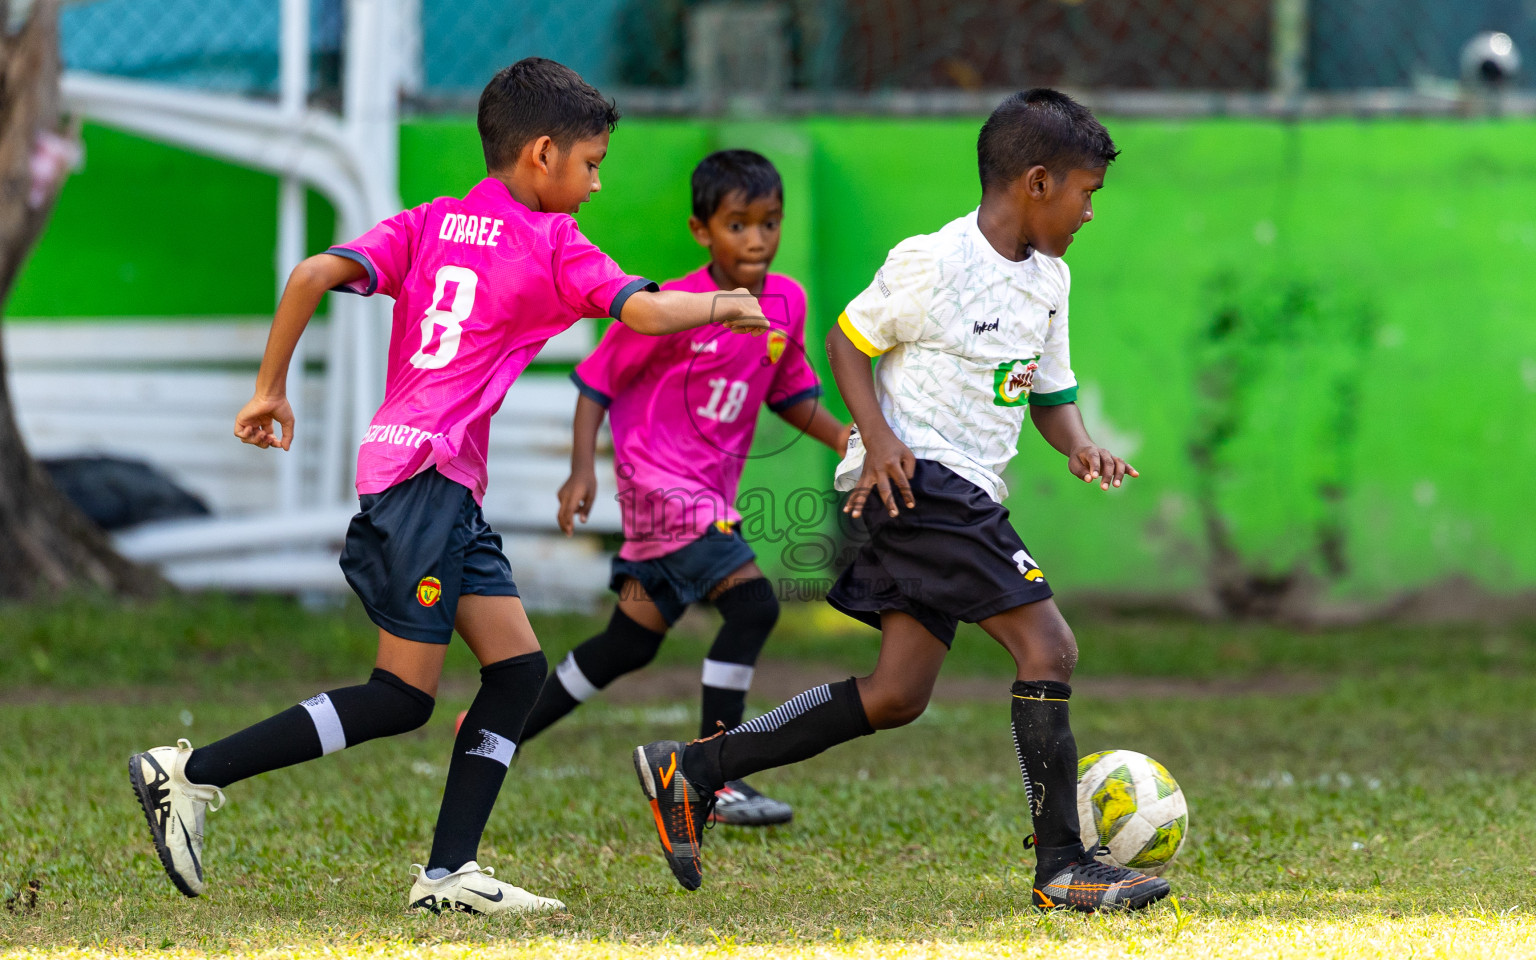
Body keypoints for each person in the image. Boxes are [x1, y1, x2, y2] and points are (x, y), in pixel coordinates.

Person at [126, 57, 767, 916]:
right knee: (400, 697)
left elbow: (312, 272)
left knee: (516, 670)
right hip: (424, 482)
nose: (597, 182)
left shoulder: (431, 221)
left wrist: (269, 387)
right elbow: (644, 312)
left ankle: (448, 876)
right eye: (591, 163)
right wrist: (725, 305)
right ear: (542, 154)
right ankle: (190, 774)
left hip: (422, 477)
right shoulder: (551, 243)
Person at [631, 89, 1170, 913]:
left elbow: (1049, 395)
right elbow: (849, 340)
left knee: (896, 695)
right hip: (919, 482)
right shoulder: (935, 261)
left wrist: (1082, 442)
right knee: (1049, 648)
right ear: (1035, 181)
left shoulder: (1051, 280)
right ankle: (1063, 864)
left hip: (960, 491)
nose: (1090, 212)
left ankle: (694, 767)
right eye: (1085, 193)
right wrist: (877, 439)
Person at [521, 149, 850, 827]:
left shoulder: (787, 300)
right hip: (661, 490)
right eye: (738, 225)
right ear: (703, 231)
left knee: (628, 644)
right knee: (755, 607)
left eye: (769, 223)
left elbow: (789, 396)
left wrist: (849, 439)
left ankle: (498, 730)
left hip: (704, 501)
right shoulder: (670, 307)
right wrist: (583, 470)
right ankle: (718, 778)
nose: (756, 239)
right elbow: (594, 383)